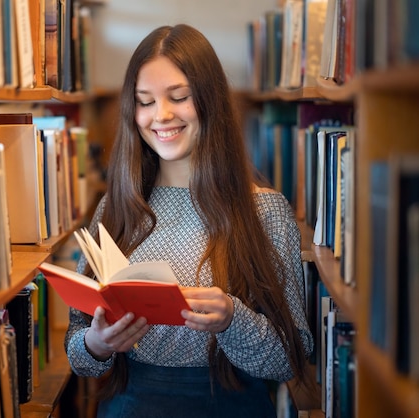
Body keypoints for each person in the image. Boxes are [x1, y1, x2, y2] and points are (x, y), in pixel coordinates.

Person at [64, 24, 313, 417]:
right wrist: (98, 343)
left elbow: (291, 360)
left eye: (178, 97)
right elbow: (77, 352)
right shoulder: (115, 206)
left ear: (210, 100)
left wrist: (233, 319)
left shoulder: (265, 212)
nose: (160, 116)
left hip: (231, 404)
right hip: (130, 404)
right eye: (144, 101)